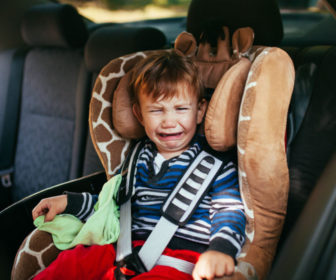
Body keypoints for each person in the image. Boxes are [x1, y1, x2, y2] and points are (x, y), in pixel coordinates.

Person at [32, 50, 246, 280]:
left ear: (200, 111)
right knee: (72, 262)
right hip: (123, 253)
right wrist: (69, 202)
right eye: (156, 110)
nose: (169, 121)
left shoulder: (216, 165)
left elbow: (229, 211)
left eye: (181, 109)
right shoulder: (136, 158)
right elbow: (112, 205)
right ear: (139, 115)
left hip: (180, 261)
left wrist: (220, 250)